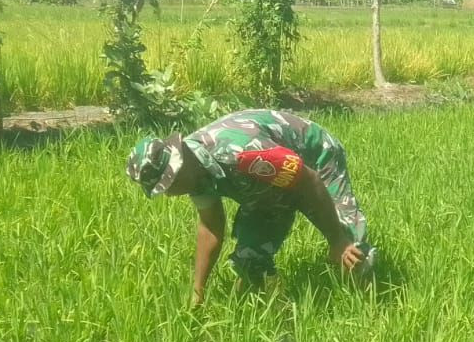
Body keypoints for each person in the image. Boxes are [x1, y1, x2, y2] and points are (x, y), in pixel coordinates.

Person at [126, 108, 376, 306]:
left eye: (168, 186)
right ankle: (262, 310)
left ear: (179, 168)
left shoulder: (240, 154)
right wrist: (198, 292)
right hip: (264, 185)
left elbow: (308, 181)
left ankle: (368, 309)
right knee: (249, 262)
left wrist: (336, 239)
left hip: (316, 159)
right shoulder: (196, 175)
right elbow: (211, 228)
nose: (169, 195)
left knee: (351, 249)